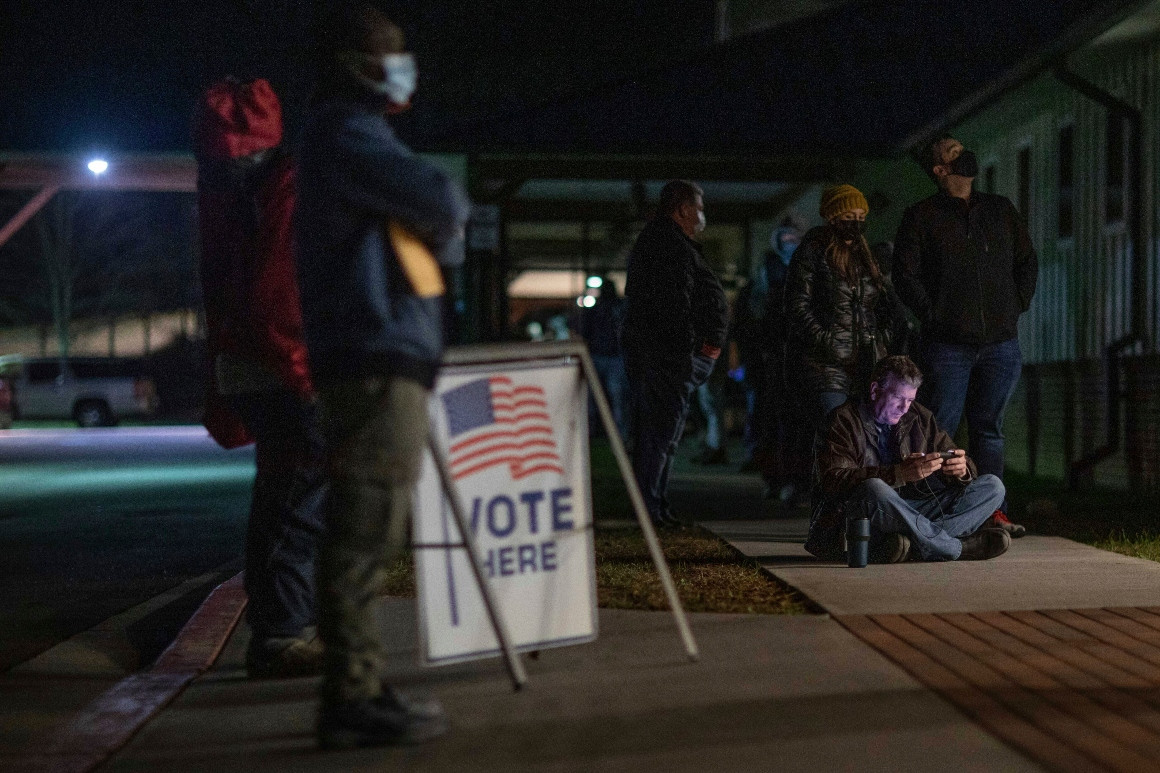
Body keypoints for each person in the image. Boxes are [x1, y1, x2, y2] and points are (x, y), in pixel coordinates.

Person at [294, 3, 470, 749]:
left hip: (380, 355)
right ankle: (352, 694)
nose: (405, 70)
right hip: (372, 357)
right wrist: (439, 215)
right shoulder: (345, 132)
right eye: (389, 55)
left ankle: (359, 686)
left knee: (372, 523)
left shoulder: (348, 140)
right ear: (355, 66)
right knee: (364, 525)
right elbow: (442, 202)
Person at [194, 77, 327, 680]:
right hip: (290, 369)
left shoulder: (219, 193)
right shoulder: (287, 187)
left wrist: (222, 380)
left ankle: (283, 624)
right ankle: (283, 632)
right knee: (299, 500)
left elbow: (227, 289)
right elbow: (279, 295)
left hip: (253, 369)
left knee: (282, 498)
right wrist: (304, 371)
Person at [893, 134, 1038, 538]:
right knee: (941, 428)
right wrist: (935, 317)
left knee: (989, 428)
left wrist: (1014, 306)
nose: (964, 154)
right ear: (940, 170)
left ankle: (993, 514)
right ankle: (936, 512)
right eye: (953, 153)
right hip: (946, 347)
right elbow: (905, 276)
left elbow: (1027, 262)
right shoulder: (921, 216)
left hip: (1000, 344)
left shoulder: (1000, 210)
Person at [805, 355, 1011, 563]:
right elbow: (833, 480)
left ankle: (914, 543)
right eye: (898, 398)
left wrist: (961, 469)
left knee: (993, 486)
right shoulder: (842, 420)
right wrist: (899, 474)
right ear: (875, 390)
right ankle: (956, 547)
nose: (905, 408)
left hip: (911, 510)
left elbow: (952, 454)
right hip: (862, 514)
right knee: (874, 488)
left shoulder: (919, 417)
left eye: (911, 399)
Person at [621, 180, 727, 528]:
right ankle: (649, 510)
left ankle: (654, 506)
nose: (702, 215)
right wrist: (688, 352)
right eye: (699, 207)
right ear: (683, 209)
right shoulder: (669, 245)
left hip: (667, 358)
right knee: (660, 435)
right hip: (668, 359)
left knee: (662, 435)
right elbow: (674, 305)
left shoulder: (668, 242)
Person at [785, 185, 897, 435]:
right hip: (825, 365)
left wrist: (881, 340)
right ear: (832, 218)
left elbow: (883, 306)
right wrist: (828, 341)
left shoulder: (866, 257)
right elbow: (797, 305)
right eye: (849, 218)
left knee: (861, 437)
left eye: (861, 218)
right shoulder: (814, 252)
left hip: (865, 364)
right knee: (837, 430)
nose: (856, 224)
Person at [577, 277, 629, 439]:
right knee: (602, 397)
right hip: (603, 357)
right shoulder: (601, 308)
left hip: (611, 357)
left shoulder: (616, 308)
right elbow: (584, 331)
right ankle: (598, 433)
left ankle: (615, 435)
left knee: (614, 398)